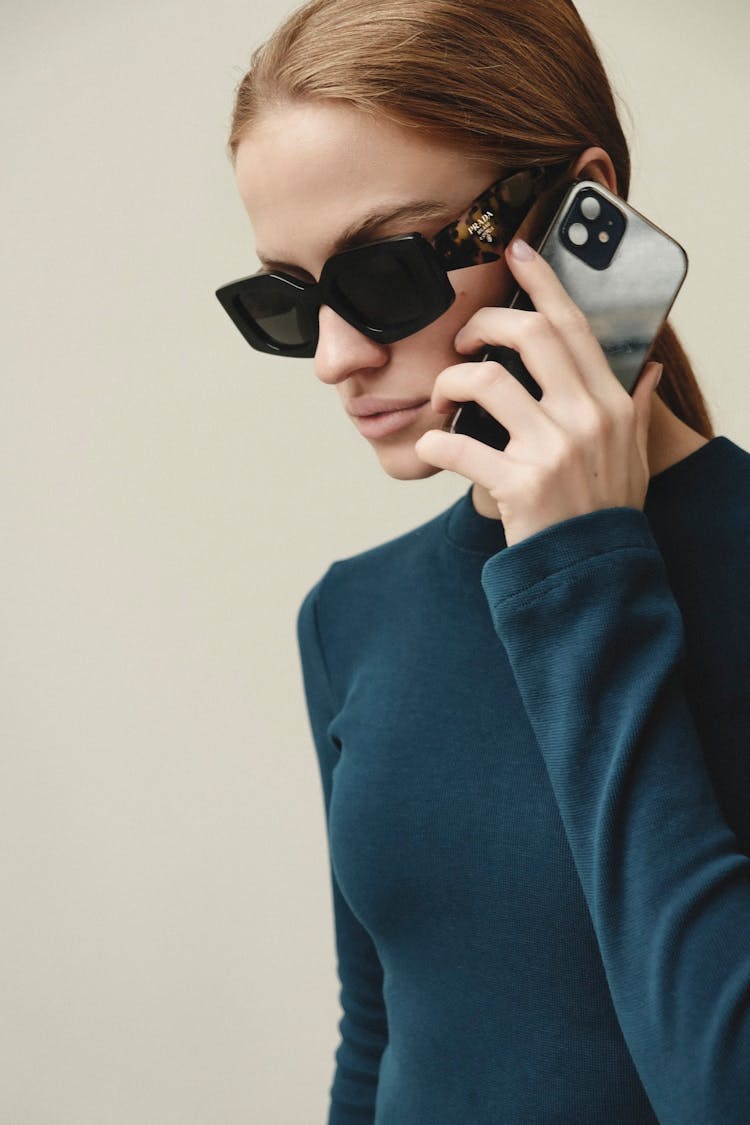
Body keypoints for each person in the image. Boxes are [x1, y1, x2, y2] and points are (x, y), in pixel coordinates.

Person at [216, 1, 750, 1121]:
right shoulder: (350, 617)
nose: (334, 357)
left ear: (579, 213)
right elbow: (380, 1039)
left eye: (384, 272)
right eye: (288, 298)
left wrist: (581, 574)